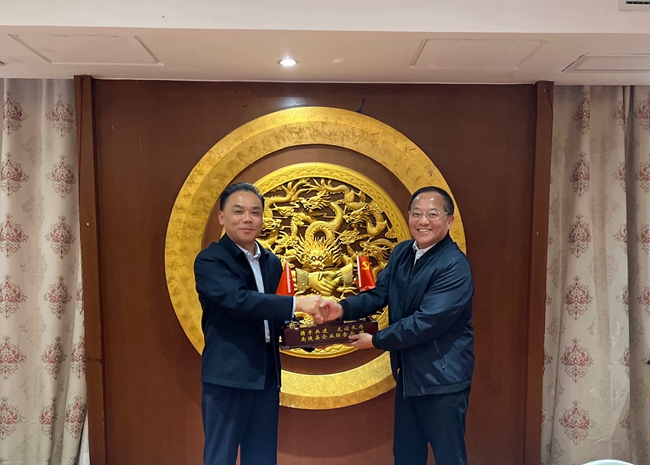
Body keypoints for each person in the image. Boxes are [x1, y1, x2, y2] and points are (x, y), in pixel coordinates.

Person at [320, 186, 475, 465]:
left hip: (442, 381)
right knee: (406, 456)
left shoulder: (454, 265)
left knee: (449, 458)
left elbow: (427, 322)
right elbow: (380, 294)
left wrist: (376, 341)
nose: (423, 221)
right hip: (408, 377)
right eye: (416, 214)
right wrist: (342, 309)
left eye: (432, 214)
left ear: (449, 220)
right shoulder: (403, 252)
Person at [194, 182, 323, 465]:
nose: (247, 219)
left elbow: (274, 318)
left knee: (263, 458)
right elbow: (239, 301)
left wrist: (311, 336)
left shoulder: (271, 262)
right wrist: (297, 303)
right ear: (222, 217)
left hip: (266, 377)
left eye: (255, 212)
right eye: (238, 211)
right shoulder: (211, 260)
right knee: (220, 457)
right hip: (228, 377)